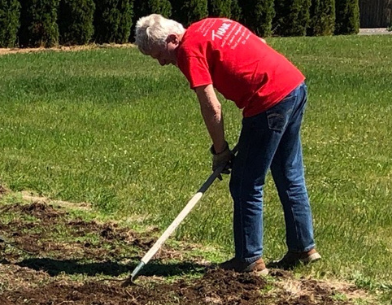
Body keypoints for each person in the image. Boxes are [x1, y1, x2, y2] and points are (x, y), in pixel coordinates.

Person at [134, 14, 320, 276]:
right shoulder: (211, 25)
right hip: (293, 86)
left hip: (267, 101)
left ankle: (249, 260)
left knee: (245, 182)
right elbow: (259, 42)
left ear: (174, 39)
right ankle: (303, 248)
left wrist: (220, 151)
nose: (163, 63)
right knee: (288, 173)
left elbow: (211, 106)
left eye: (160, 55)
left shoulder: (188, 51)